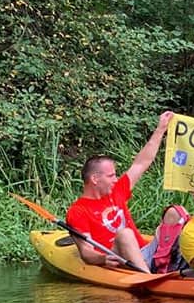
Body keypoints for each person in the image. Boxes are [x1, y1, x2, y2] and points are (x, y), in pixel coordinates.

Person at [66, 111, 175, 271]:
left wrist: (161, 129)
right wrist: (103, 258)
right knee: (125, 234)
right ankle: (148, 277)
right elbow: (86, 252)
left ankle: (185, 265)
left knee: (175, 213)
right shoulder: (78, 211)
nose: (115, 179)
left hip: (145, 252)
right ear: (95, 179)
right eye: (111, 176)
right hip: (119, 257)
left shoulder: (116, 191)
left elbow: (141, 163)